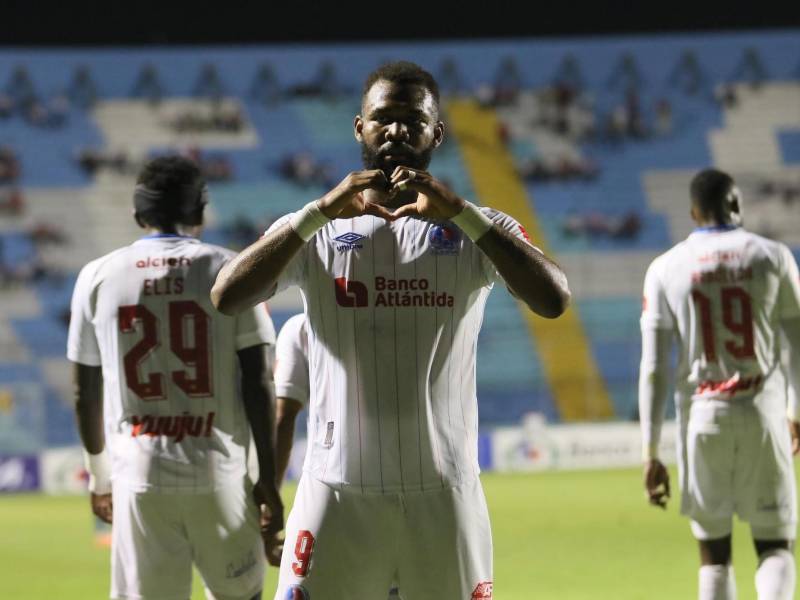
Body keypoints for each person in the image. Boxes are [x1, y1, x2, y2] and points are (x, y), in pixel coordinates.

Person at [211, 61, 570, 600]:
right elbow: (226, 295)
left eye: (413, 121)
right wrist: (317, 212)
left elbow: (553, 298)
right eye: (383, 119)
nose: (398, 131)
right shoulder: (319, 228)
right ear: (360, 127)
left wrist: (464, 215)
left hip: (444, 497)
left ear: (436, 134)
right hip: (336, 494)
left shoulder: (477, 228)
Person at [67, 155, 284, 600]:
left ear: (138, 214)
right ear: (201, 212)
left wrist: (99, 477)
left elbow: (83, 391)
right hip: (220, 474)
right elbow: (259, 382)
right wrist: (267, 479)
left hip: (140, 479)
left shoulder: (97, 276)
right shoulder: (231, 269)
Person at [639, 168, 800, 600]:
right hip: (764, 413)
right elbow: (798, 344)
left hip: (703, 419)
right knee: (775, 546)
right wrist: (796, 412)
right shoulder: (773, 256)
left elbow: (653, 367)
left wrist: (651, 452)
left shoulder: (665, 267)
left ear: (694, 212)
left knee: (714, 554)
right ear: (737, 206)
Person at [272, 313, 402, 598]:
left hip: (335, 499)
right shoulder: (411, 318)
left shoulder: (300, 328)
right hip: (416, 497)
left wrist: (270, 500)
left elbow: (283, 418)